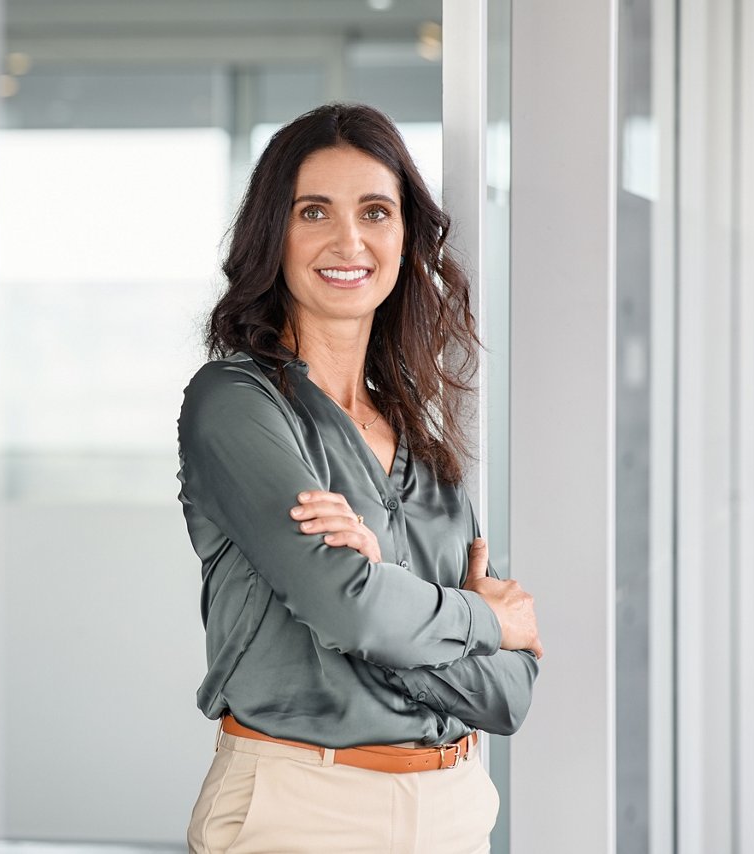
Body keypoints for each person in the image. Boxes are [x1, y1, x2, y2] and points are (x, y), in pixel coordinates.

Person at [174, 103, 543, 854]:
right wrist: (481, 621)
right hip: (306, 809)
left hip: (455, 807)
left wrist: (386, 597)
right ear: (272, 234)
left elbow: (510, 693)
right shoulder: (237, 404)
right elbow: (358, 617)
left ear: (405, 239)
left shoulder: (423, 440)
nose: (349, 240)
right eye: (315, 211)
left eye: (376, 211)